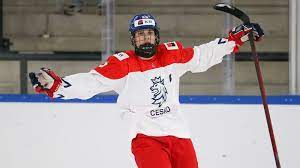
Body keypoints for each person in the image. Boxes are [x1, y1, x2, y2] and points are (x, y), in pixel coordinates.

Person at [29, 13, 264, 168]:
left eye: (149, 33)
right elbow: (91, 83)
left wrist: (237, 38)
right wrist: (58, 86)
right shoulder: (122, 64)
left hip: (179, 135)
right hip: (146, 138)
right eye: (140, 34)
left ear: (156, 35)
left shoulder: (172, 56)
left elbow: (204, 55)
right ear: (133, 39)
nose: (145, 38)